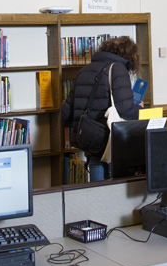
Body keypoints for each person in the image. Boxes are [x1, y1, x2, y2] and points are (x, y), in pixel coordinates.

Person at [60, 37, 141, 181]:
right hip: (109, 141)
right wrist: (140, 110)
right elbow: (126, 110)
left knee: (98, 193)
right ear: (130, 56)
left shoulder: (83, 71)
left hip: (90, 141)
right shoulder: (117, 68)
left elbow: (65, 114)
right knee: (115, 192)